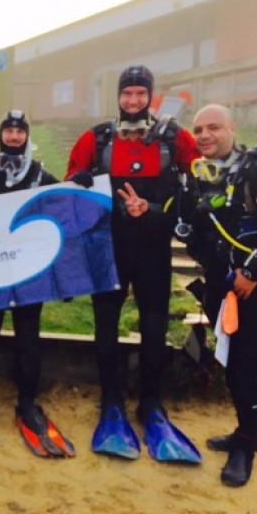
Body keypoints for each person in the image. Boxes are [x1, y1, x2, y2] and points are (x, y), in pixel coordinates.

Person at [65, 65, 202, 462]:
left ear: (150, 97)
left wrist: (158, 210)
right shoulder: (99, 137)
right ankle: (111, 400)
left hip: (154, 247)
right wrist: (80, 181)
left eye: (141, 94)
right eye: (127, 94)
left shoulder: (173, 137)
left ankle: (151, 403)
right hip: (109, 248)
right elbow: (71, 179)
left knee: (154, 325)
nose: (133, 101)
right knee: (106, 326)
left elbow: (200, 179)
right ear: (118, 97)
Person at [0, 110, 75, 458]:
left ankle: (27, 401)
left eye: (20, 132)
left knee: (28, 335)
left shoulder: (42, 177)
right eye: (9, 131)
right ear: (0, 136)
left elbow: (62, 214)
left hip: (28, 273)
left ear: (27, 137)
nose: (15, 137)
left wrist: (77, 185)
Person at [186, 104, 257, 486]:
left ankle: (246, 445)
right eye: (198, 129)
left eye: (214, 127)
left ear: (232, 128)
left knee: (249, 365)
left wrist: (250, 272)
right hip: (222, 285)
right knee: (231, 362)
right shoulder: (203, 177)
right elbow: (194, 228)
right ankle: (249, 432)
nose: (204, 135)